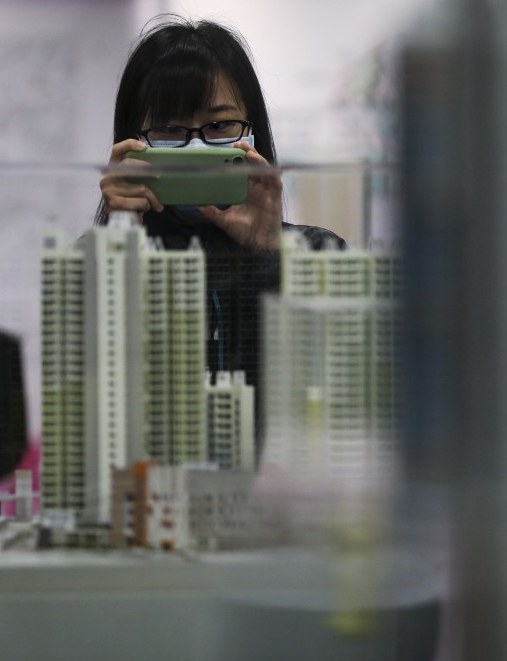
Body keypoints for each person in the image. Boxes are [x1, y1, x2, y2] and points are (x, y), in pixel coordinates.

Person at [99, 17, 344, 392]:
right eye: (169, 130)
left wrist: (269, 254)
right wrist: (119, 243)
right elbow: (93, 387)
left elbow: (338, 385)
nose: (195, 148)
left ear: (251, 132)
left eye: (219, 126)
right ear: (133, 142)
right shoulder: (94, 261)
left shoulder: (318, 254)